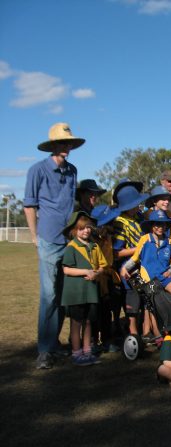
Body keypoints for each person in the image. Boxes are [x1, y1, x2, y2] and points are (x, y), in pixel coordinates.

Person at [24, 122, 84, 369]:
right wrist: (34, 236)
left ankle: (55, 345)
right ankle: (44, 350)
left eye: (68, 142)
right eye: (62, 142)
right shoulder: (37, 170)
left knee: (62, 296)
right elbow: (29, 204)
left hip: (68, 241)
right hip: (48, 240)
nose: (66, 146)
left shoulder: (72, 171)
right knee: (48, 295)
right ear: (52, 145)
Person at [120, 210, 171, 339]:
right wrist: (125, 268)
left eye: (163, 225)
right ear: (152, 226)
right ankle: (157, 334)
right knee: (153, 302)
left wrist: (170, 271)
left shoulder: (170, 242)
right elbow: (135, 258)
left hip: (163, 276)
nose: (160, 227)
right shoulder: (145, 239)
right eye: (157, 225)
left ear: (166, 226)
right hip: (148, 279)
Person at [61, 211, 107, 366]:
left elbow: (102, 265)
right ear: (74, 230)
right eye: (82, 228)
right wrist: (86, 272)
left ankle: (87, 351)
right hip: (76, 293)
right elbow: (66, 269)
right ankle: (76, 352)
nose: (86, 230)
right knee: (76, 322)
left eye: (88, 227)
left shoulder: (94, 246)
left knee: (88, 321)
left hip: (90, 291)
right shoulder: (72, 247)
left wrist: (97, 273)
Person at [112, 182, 148, 336]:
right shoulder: (120, 222)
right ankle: (132, 334)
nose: (138, 206)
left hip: (143, 268)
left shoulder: (139, 217)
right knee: (132, 304)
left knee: (144, 300)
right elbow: (117, 253)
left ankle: (144, 332)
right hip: (128, 270)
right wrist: (139, 248)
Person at [90, 204, 122, 353]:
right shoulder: (92, 241)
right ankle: (93, 341)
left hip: (108, 277)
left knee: (107, 310)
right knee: (94, 312)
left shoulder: (109, 237)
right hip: (95, 279)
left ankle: (107, 339)